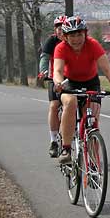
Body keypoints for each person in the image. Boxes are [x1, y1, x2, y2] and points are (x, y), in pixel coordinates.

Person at [53, 16, 110, 164]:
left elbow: (107, 69)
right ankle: (66, 149)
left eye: (79, 35)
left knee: (92, 120)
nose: (76, 39)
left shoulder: (93, 45)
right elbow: (58, 70)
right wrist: (59, 83)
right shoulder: (61, 48)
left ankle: (93, 159)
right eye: (72, 35)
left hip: (91, 83)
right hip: (69, 83)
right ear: (66, 37)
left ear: (85, 34)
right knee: (71, 102)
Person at [38, 15, 67, 158]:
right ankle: (54, 141)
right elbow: (44, 57)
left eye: (63, 27)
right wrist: (43, 71)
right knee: (54, 105)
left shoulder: (72, 39)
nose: (60, 30)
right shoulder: (52, 41)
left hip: (71, 77)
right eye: (58, 27)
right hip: (54, 78)